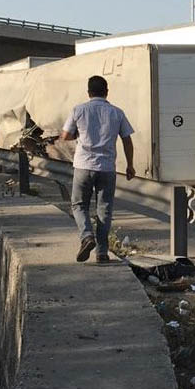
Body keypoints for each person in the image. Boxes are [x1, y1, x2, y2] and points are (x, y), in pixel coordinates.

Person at [60, 75, 135, 263]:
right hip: (107, 168)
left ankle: (86, 236)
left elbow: (65, 136)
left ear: (88, 92)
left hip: (84, 166)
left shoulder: (79, 110)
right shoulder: (117, 112)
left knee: (79, 205)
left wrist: (78, 133)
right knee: (105, 210)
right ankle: (102, 253)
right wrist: (130, 165)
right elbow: (127, 139)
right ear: (107, 92)